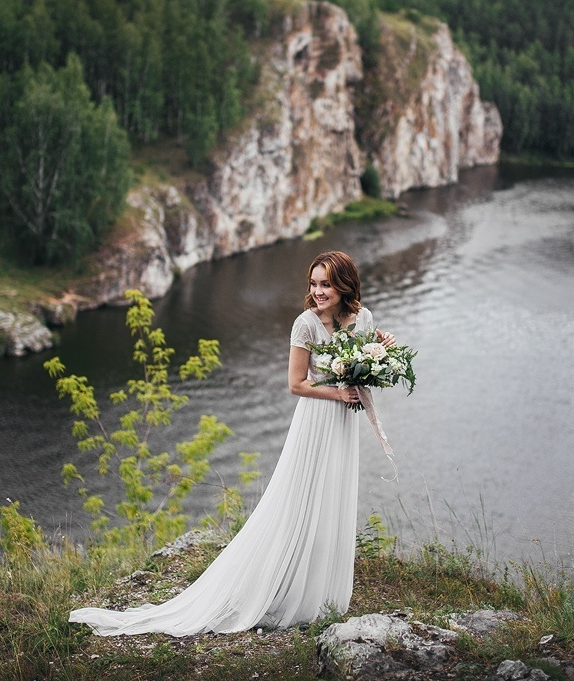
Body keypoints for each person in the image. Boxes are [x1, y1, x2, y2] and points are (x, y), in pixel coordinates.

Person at [69, 250, 397, 636]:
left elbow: (360, 363)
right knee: (301, 497)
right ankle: (283, 586)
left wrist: (381, 348)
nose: (318, 291)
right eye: (314, 283)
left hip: (344, 424)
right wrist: (338, 395)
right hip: (317, 420)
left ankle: (322, 591)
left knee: (334, 496)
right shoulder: (305, 324)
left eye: (326, 284)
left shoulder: (363, 318)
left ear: (344, 285)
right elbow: (296, 385)